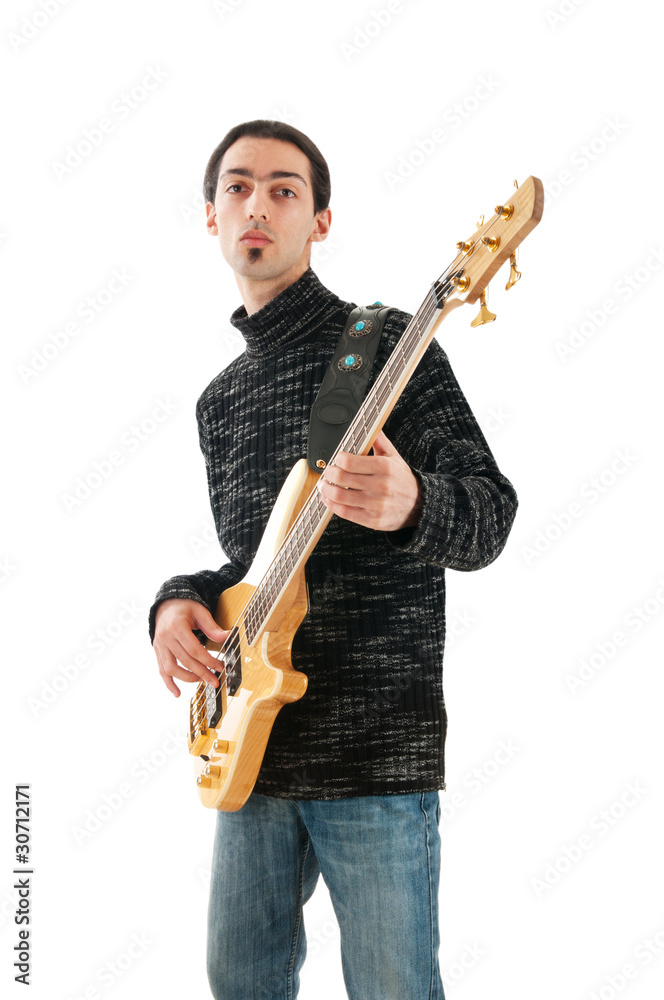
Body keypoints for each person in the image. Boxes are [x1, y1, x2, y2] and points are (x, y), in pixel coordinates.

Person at [148, 119, 518, 1000]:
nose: (258, 206)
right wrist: (173, 603)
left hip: (374, 759)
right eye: (238, 187)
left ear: (319, 221)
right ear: (210, 216)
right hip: (252, 753)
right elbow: (255, 567)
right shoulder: (221, 400)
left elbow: (491, 515)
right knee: (237, 983)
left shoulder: (385, 345)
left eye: (285, 190)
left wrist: (415, 502)